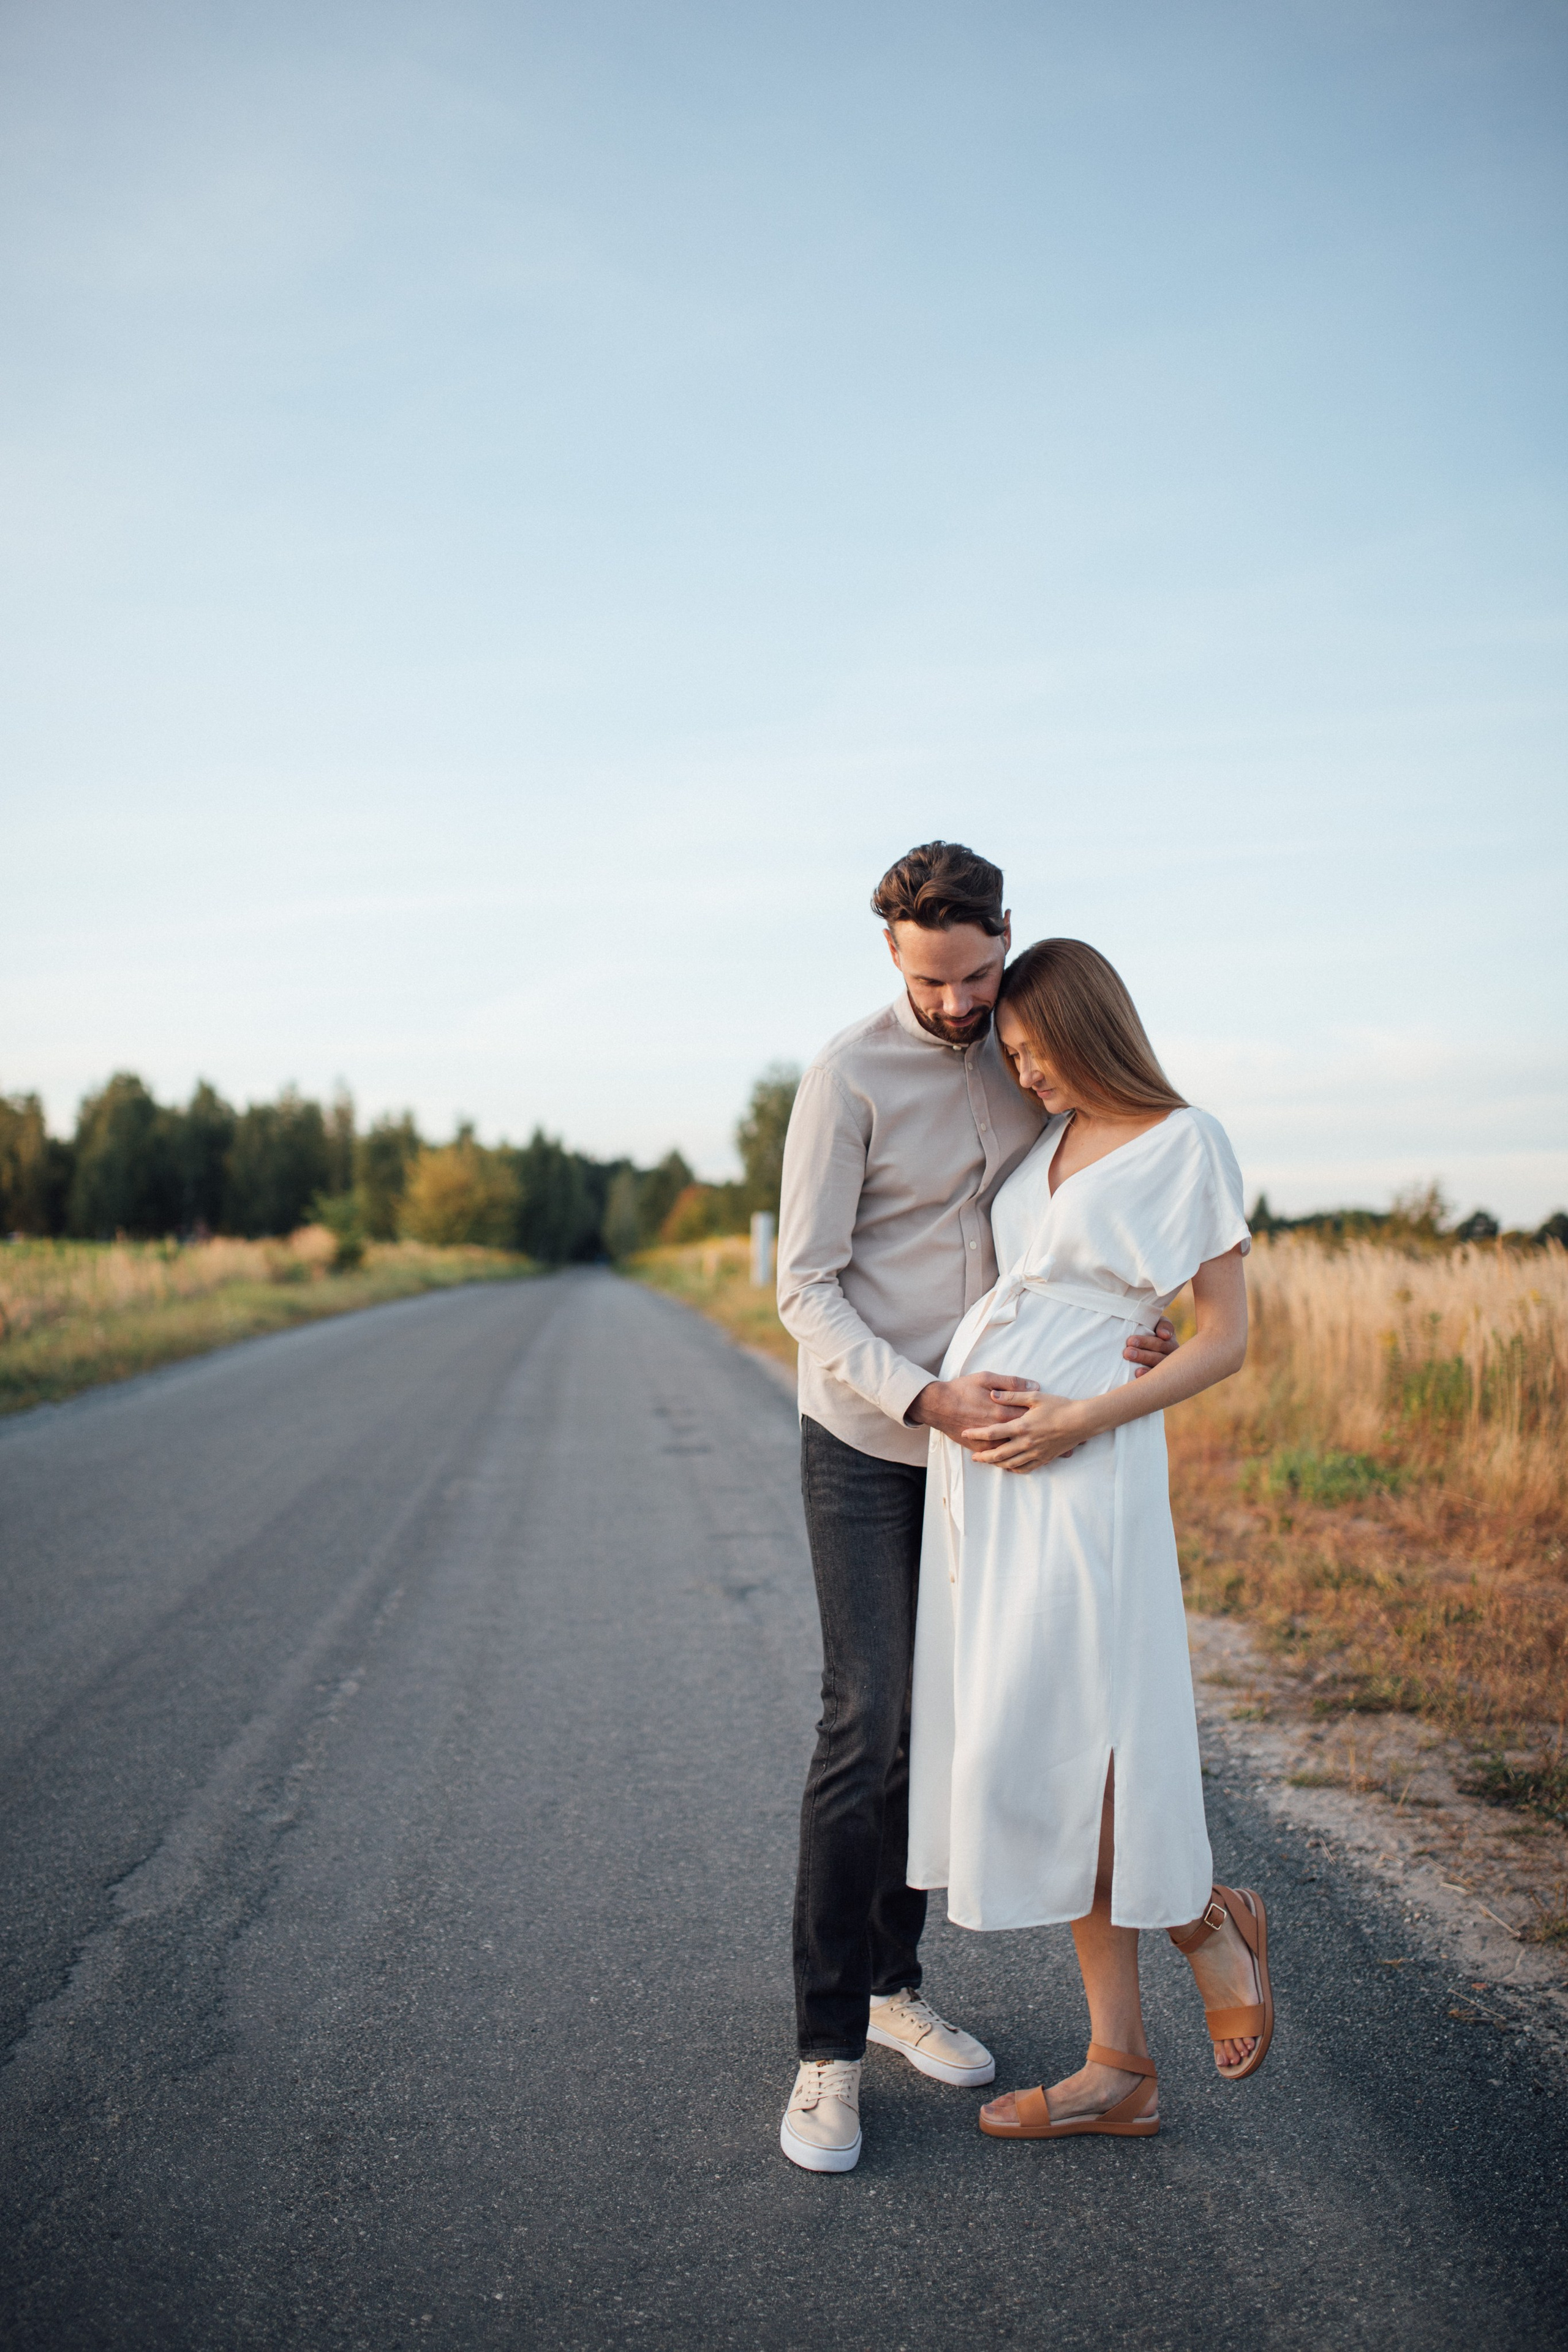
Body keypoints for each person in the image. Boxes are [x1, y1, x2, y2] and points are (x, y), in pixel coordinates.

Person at [774, 846, 1178, 2174]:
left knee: (948, 1728)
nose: (958, 1006)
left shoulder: (1031, 1063)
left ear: (1008, 938)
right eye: (931, 982)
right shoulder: (845, 1079)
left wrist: (1144, 1320)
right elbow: (805, 1287)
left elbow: (1089, 1224)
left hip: (999, 1461)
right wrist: (922, 1397)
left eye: (977, 976)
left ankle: (895, 1987)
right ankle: (826, 2050)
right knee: (867, 1721)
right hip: (871, 1438)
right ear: (891, 956)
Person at [907, 937, 1275, 2142]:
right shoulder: (1041, 1144)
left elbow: (1217, 1334)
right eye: (1008, 1059)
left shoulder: (1185, 1141)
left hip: (1088, 1465)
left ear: (1089, 1028)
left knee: (1096, 1739)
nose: (1025, 1075)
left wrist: (1083, 1410)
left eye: (1035, 1051)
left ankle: (1204, 1921)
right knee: (1037, 1733)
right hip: (998, 1480)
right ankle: (1115, 2067)